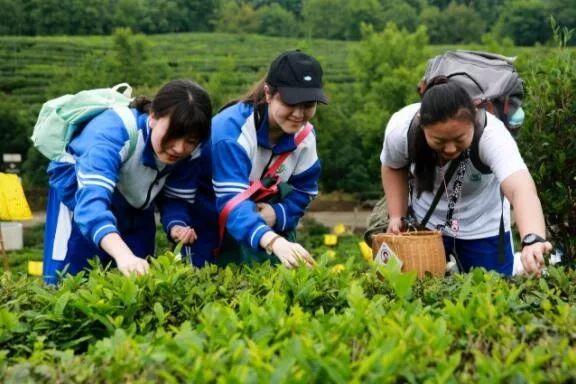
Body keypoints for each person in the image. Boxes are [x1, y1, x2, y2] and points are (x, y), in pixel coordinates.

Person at [43, 79, 212, 284]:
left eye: (191, 141)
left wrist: (176, 225)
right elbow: (91, 206)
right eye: (173, 136)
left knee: (140, 275)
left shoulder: (191, 153)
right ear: (153, 117)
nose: (179, 148)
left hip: (136, 201)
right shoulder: (112, 132)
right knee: (72, 277)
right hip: (81, 197)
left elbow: (175, 197)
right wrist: (122, 255)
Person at [380, 77, 552, 276]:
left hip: (482, 224)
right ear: (422, 126)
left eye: (460, 138)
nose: (450, 148)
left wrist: (532, 239)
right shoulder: (401, 128)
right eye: (439, 140)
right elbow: (392, 166)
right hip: (425, 224)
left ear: (473, 120)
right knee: (419, 288)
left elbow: (521, 189)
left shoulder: (492, 136)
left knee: (491, 290)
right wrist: (396, 215)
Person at [210, 50, 327, 268]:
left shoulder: (305, 137)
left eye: (309, 105)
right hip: (210, 219)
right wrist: (274, 242)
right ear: (268, 93)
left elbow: (305, 191)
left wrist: (277, 214)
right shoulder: (231, 131)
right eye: (291, 102)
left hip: (263, 226)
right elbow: (231, 202)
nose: (299, 114)